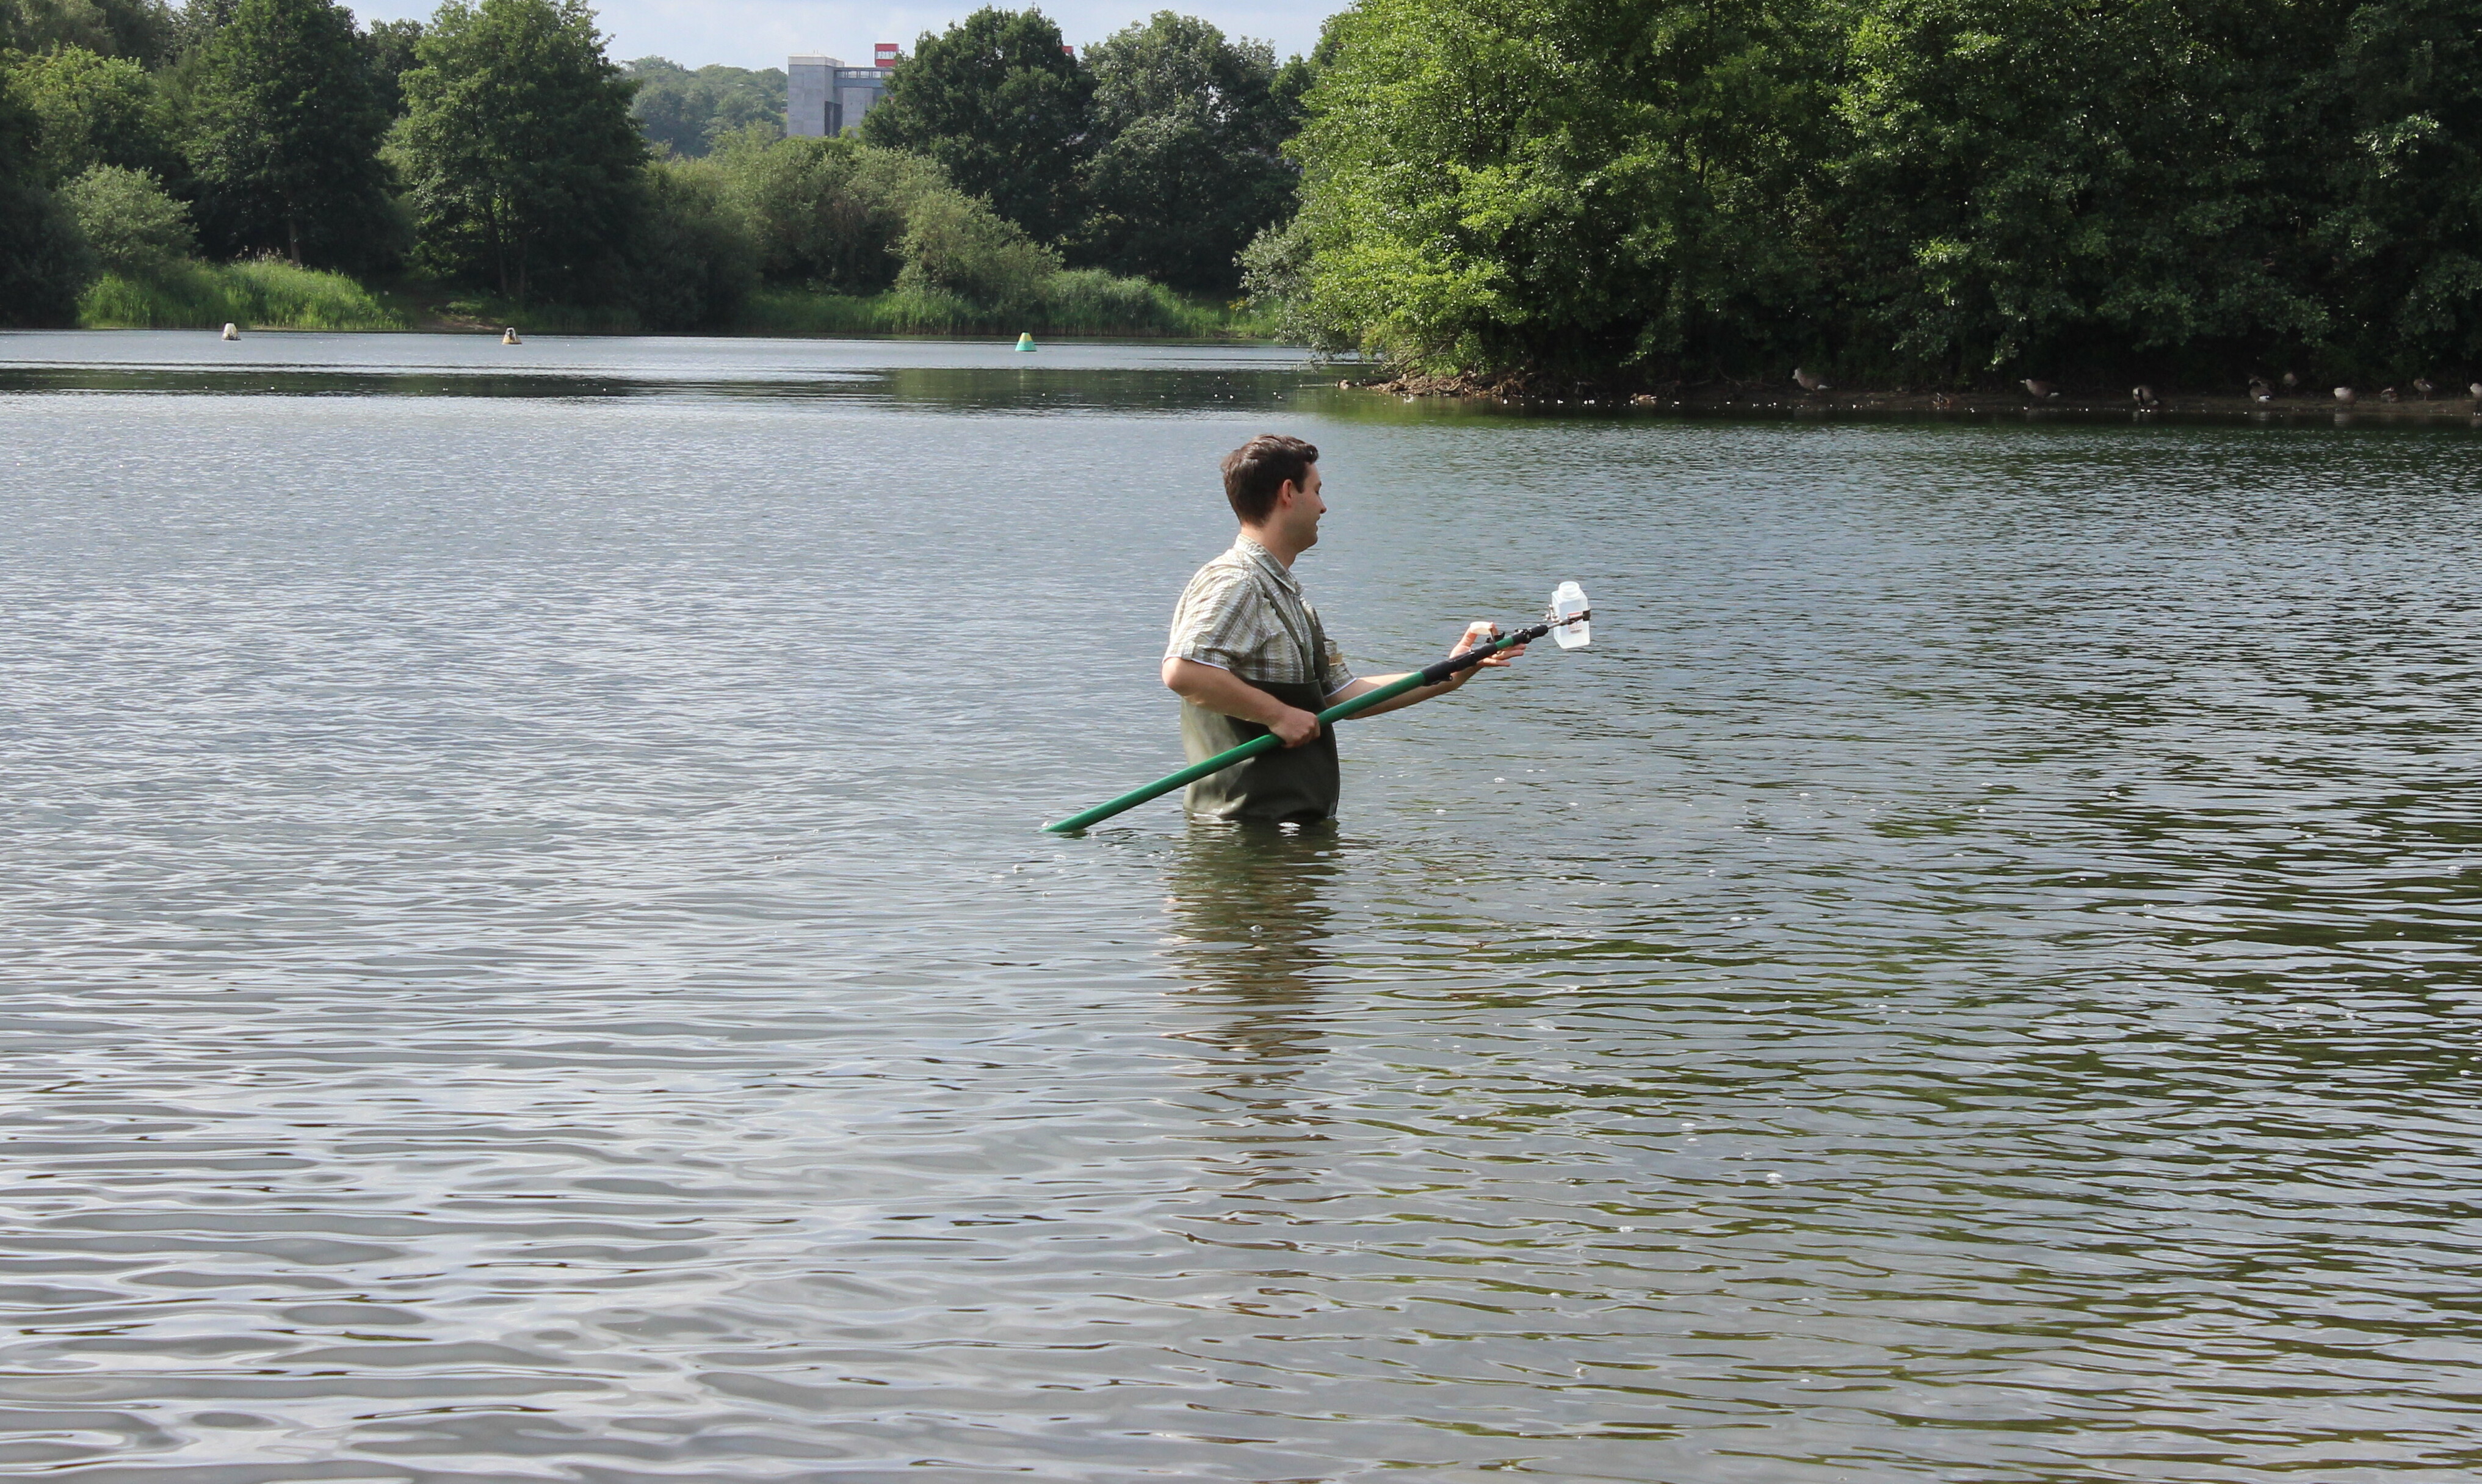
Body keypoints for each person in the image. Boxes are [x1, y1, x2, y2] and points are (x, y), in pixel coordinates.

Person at [1161, 434, 1522, 823]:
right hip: (1242, 834)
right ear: (1288, 493)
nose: (1323, 506)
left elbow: (1342, 696)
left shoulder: (1286, 595)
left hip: (1286, 832)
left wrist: (1454, 672)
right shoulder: (1236, 582)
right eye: (1315, 491)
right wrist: (1278, 715)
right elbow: (1184, 670)